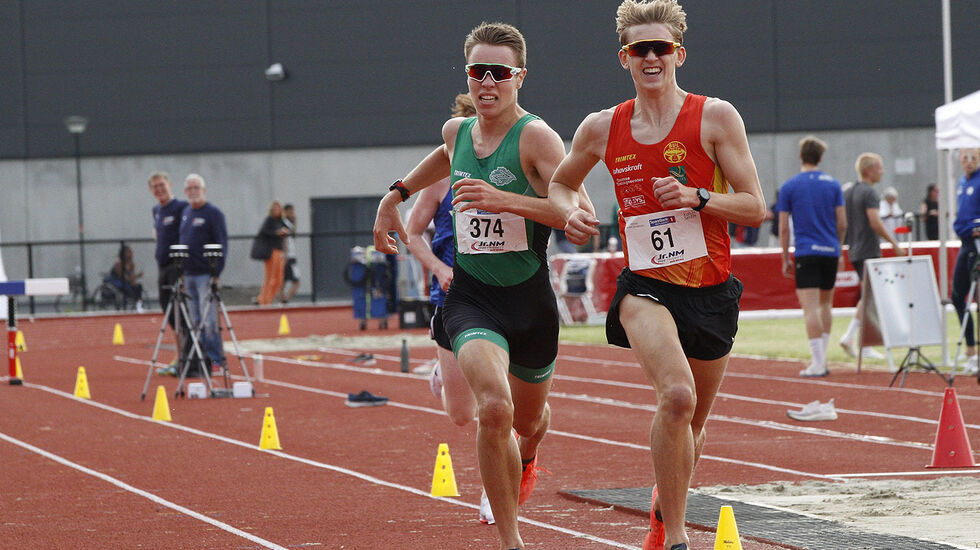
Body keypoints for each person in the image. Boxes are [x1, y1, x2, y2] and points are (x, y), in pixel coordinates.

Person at [546, 2, 766, 549]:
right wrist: (571, 212)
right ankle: (676, 540)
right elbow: (560, 182)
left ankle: (662, 510)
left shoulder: (716, 117)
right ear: (624, 58)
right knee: (677, 397)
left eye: (660, 47)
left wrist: (699, 197)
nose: (650, 57)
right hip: (646, 287)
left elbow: (754, 207)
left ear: (678, 54)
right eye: (639, 49)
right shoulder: (602, 127)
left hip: (711, 289)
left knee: (692, 425)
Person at [373, 22, 594, 550]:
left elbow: (581, 216)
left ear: (520, 77)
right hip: (472, 299)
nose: (487, 82)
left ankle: (530, 454)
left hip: (530, 300)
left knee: (529, 420)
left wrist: (506, 201)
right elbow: (443, 155)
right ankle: (511, 541)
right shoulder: (458, 132)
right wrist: (394, 195)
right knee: (493, 410)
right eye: (478, 71)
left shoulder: (537, 138)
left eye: (499, 72)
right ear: (468, 75)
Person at [404, 92, 492, 523]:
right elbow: (411, 232)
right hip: (453, 296)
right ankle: (443, 373)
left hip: (502, 294)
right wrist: (439, 269)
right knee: (462, 414)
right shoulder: (441, 177)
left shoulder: (514, 165)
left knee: (499, 404)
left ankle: (495, 489)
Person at [776, 136, 846, 378]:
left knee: (811, 308)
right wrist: (838, 248)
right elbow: (842, 223)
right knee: (826, 305)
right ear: (820, 158)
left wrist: (785, 257)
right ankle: (822, 359)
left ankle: (817, 363)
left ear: (800, 156)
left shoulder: (789, 186)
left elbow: (783, 227)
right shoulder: (833, 184)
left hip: (806, 251)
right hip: (830, 251)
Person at [838, 153, 902, 359]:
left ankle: (863, 343)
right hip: (868, 251)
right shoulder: (870, 193)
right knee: (869, 297)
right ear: (869, 170)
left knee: (869, 296)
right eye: (879, 167)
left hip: (855, 249)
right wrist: (894, 244)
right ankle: (851, 337)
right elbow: (875, 222)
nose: (882, 171)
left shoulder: (850, 192)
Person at [179, 174, 229, 373]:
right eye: (190, 188)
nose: (193, 191)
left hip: (205, 274)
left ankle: (215, 359)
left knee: (209, 320)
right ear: (185, 191)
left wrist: (216, 272)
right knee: (195, 320)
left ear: (203, 190)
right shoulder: (186, 213)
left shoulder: (213, 213)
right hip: (188, 274)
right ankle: (201, 358)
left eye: (196, 187)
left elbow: (221, 243)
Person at [149, 171, 189, 375]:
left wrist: (184, 269)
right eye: (155, 187)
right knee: (169, 313)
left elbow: (187, 235)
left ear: (170, 185)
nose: (159, 189)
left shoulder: (181, 207)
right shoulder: (156, 210)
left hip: (177, 267)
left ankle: (188, 358)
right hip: (162, 267)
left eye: (162, 185)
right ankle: (180, 357)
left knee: (182, 314)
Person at [950, 148, 980, 374]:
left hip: (976, 242)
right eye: (965, 158)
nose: (969, 162)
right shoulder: (962, 181)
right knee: (958, 296)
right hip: (965, 241)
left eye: (973, 158)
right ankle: (971, 349)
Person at [255, 200, 288, 306]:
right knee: (270, 277)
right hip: (271, 251)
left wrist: (284, 232)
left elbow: (289, 231)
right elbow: (264, 231)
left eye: (278, 208)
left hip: (279, 251)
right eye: (275, 208)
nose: (277, 210)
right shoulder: (269, 220)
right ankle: (263, 300)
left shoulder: (281, 221)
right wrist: (276, 233)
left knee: (279, 279)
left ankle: (268, 299)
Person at [109, 242, 145, 311]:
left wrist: (135, 282)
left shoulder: (131, 264)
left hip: (127, 282)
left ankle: (139, 304)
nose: (131, 254)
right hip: (118, 282)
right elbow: (123, 277)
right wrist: (136, 276)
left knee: (138, 287)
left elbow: (132, 277)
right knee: (129, 287)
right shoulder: (119, 264)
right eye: (129, 252)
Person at [279, 203, 301, 304]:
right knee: (296, 282)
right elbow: (283, 239)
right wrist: (285, 254)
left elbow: (293, 235)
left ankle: (283, 300)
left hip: (290, 255)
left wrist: (295, 221)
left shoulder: (289, 223)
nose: (292, 213)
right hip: (288, 256)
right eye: (291, 211)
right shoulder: (283, 223)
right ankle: (284, 300)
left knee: (284, 280)